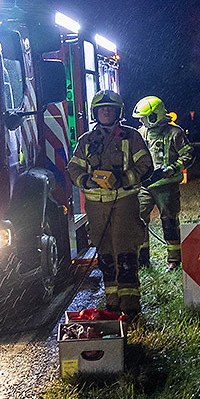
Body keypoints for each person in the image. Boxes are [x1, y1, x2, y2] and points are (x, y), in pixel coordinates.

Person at [68, 90, 153, 317]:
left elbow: (146, 165)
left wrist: (124, 180)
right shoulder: (86, 140)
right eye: (102, 108)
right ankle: (112, 302)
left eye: (110, 108)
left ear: (118, 111)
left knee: (125, 253)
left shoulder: (131, 136)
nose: (106, 111)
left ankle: (131, 305)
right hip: (96, 208)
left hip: (124, 203)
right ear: (95, 112)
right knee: (105, 254)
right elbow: (73, 168)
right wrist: (85, 180)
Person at [133, 95, 194, 270]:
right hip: (144, 186)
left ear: (154, 116)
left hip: (166, 186)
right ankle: (142, 258)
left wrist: (172, 169)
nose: (143, 122)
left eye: (145, 118)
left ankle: (174, 259)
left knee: (169, 221)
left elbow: (188, 155)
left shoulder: (175, 133)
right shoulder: (141, 133)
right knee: (139, 220)